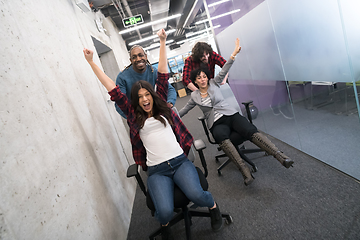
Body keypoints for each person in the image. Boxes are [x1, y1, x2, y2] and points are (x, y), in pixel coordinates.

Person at [83, 29, 223, 240]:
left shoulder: (163, 108)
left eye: (147, 95)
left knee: (197, 195)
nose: (145, 99)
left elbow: (164, 73)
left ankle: (213, 207)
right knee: (164, 212)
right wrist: (92, 62)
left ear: (153, 95)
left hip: (179, 162)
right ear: (136, 101)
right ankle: (166, 223)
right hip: (157, 170)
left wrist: (162, 41)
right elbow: (113, 89)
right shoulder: (133, 116)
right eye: (140, 97)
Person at [179, 38, 294, 186]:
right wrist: (169, 116)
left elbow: (225, 67)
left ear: (208, 77)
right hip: (215, 122)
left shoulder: (214, 83)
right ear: (195, 81)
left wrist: (234, 53)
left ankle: (280, 156)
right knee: (220, 135)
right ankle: (244, 171)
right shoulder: (194, 96)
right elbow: (184, 110)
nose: (202, 79)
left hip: (230, 115)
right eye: (199, 78)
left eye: (204, 77)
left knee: (248, 129)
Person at [114, 44, 177, 118]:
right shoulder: (122, 77)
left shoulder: (153, 71)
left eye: (140, 55)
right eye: (134, 57)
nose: (138, 59)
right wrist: (134, 119)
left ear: (146, 56)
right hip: (137, 116)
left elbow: (169, 88)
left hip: (156, 111)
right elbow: (119, 103)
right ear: (131, 60)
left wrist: (169, 103)